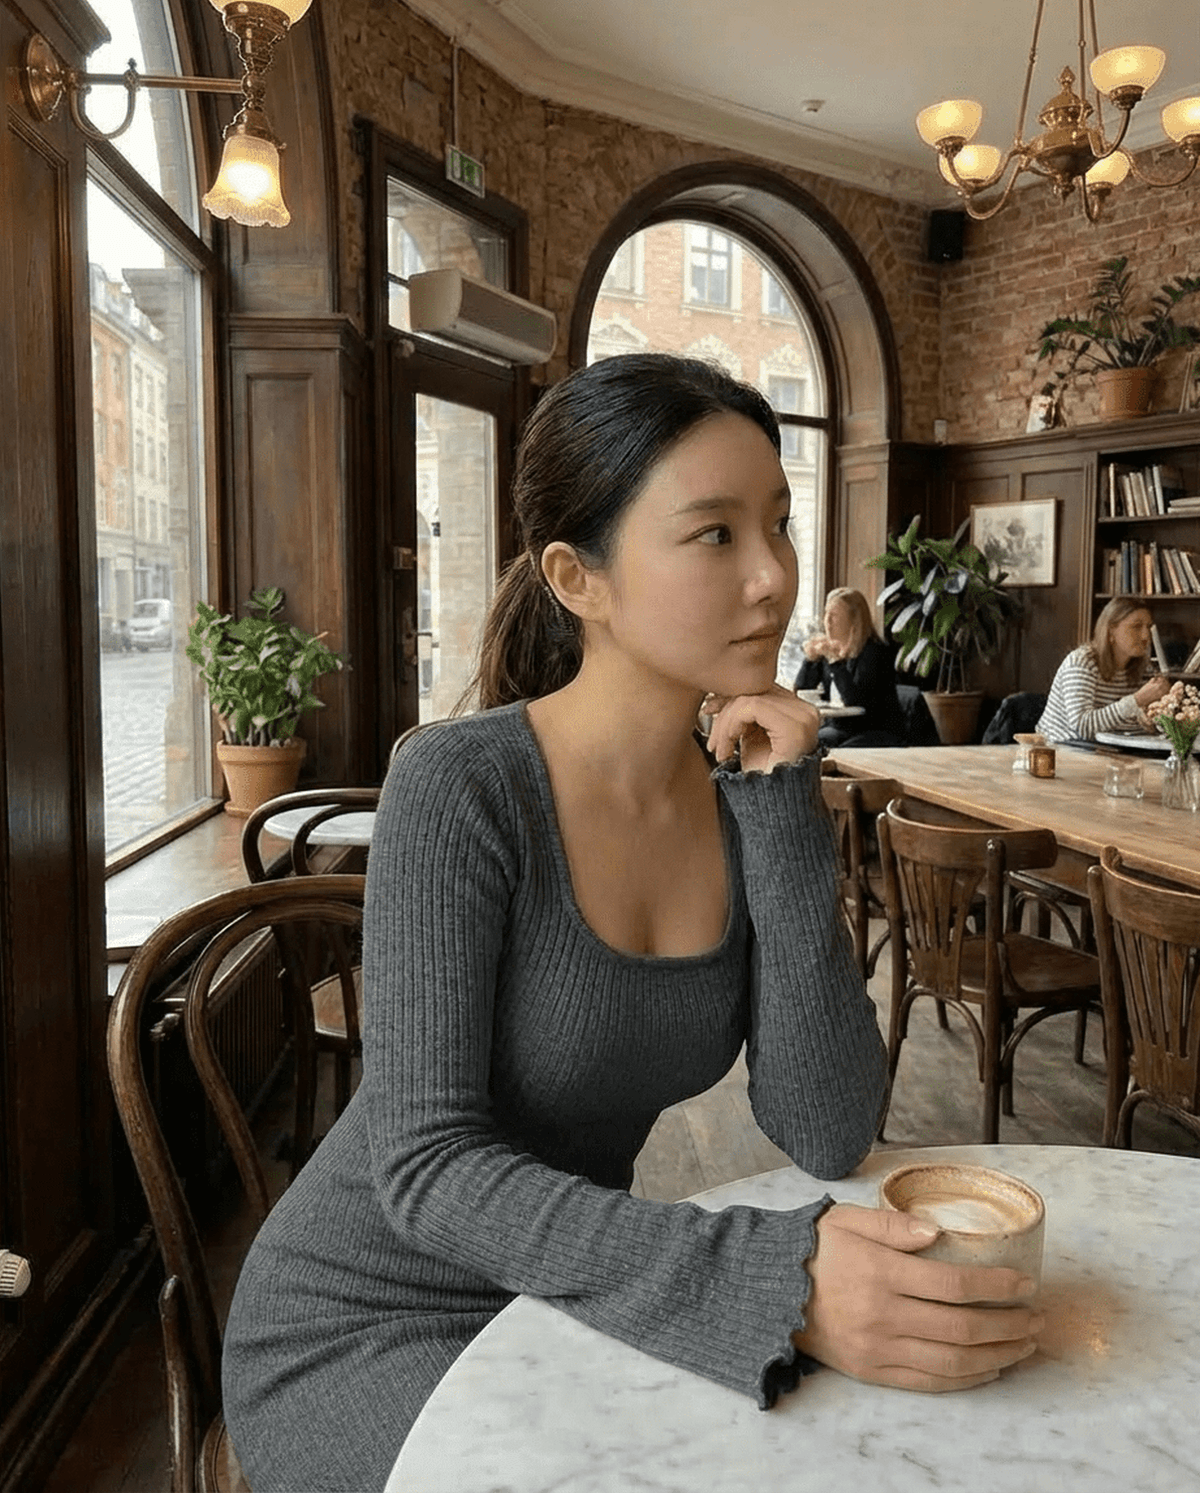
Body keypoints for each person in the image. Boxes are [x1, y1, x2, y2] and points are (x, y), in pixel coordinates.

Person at [222, 355, 1045, 1493]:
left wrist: (783, 812)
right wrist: (775, 1276)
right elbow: (423, 1169)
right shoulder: (462, 785)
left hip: (570, 1285)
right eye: (713, 534)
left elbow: (825, 1125)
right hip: (365, 1316)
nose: (774, 578)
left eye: (780, 524)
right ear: (578, 577)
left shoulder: (742, 794)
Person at [1036, 596, 1169, 743]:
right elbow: (1082, 726)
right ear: (1111, 630)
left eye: (1149, 627)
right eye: (1136, 626)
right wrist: (1137, 700)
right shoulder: (1082, 662)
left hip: (1113, 751)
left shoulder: (1145, 668)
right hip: (1063, 749)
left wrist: (1152, 721)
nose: (1146, 636)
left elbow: (1131, 726)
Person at [795, 586, 905, 747]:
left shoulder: (873, 652)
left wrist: (834, 661)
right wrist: (810, 659)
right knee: (800, 741)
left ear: (853, 620)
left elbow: (854, 700)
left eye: (834, 615)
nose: (827, 621)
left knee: (826, 747)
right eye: (826, 613)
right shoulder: (829, 650)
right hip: (839, 727)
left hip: (872, 730)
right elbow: (801, 689)